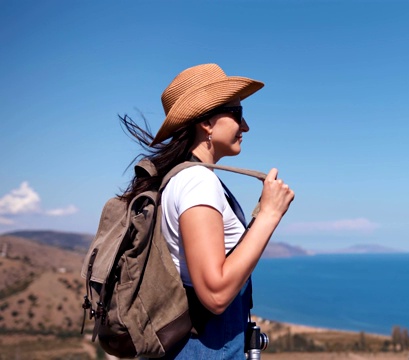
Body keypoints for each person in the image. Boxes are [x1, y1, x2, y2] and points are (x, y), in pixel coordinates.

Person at [118, 63, 295, 359]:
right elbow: (215, 294)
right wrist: (269, 214)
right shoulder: (197, 182)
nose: (246, 126)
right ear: (207, 123)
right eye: (237, 114)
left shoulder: (179, 178)